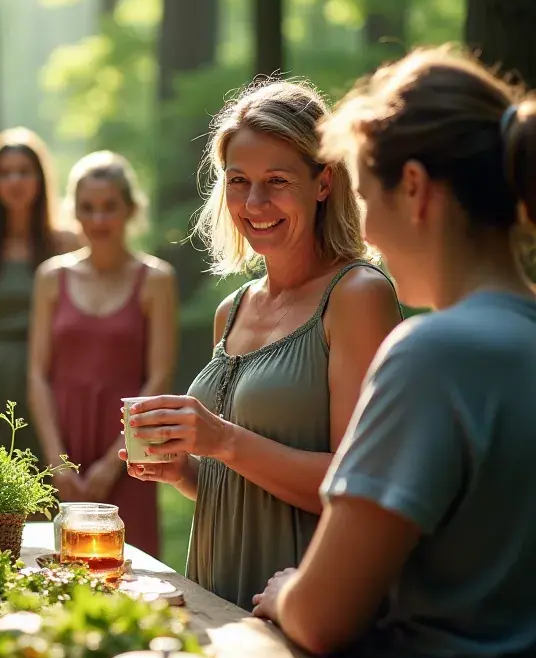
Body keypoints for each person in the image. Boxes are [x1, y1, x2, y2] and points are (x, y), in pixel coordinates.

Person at [251, 47, 536, 658]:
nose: (368, 232)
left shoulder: (433, 355)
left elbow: (322, 618)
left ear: (414, 187)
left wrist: (287, 588)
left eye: (367, 195)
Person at [123, 80, 401, 607]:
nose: (254, 203)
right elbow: (240, 489)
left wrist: (223, 439)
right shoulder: (233, 309)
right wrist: (184, 470)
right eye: (238, 181)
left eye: (277, 181)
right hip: (215, 595)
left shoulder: (357, 296)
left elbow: (357, 487)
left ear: (324, 182)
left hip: (301, 603)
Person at [28, 151, 176, 557]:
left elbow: (159, 377)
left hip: (129, 447)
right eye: (87, 209)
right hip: (63, 438)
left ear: (130, 209)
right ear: (72, 212)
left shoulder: (156, 280)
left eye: (109, 207)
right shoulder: (51, 278)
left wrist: (115, 461)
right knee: (55, 567)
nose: (98, 220)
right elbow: (37, 375)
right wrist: (58, 462)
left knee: (130, 569)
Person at [0, 127, 78, 453]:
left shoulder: (66, 243)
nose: (15, 182)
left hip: (50, 379)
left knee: (47, 486)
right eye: (5, 173)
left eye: (24, 172)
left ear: (40, 178)